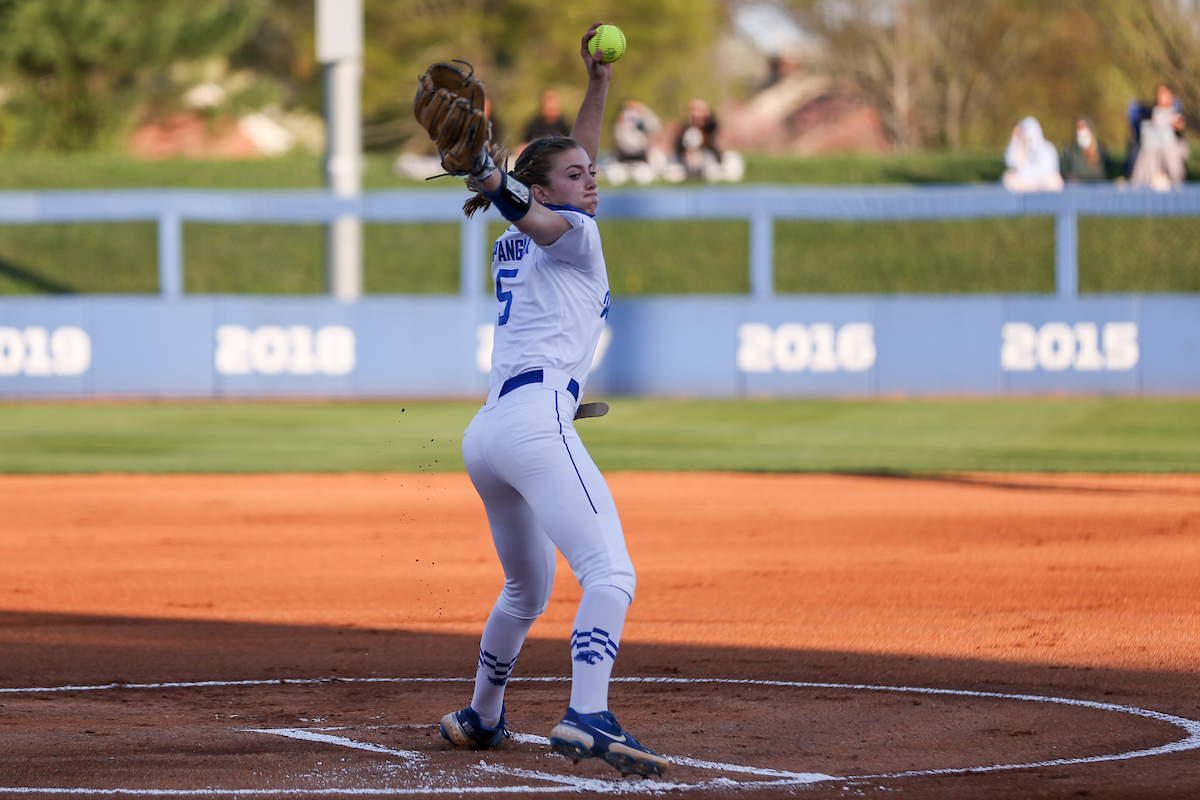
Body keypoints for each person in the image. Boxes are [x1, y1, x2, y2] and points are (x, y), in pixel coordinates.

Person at [437, 22, 670, 779]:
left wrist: (597, 86)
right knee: (610, 574)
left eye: (590, 171)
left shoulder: (528, 234)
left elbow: (543, 189)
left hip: (490, 432)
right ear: (546, 190)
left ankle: (483, 715)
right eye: (577, 175)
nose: (591, 179)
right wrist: (487, 177)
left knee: (525, 587)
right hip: (535, 424)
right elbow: (530, 206)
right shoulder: (568, 232)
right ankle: (588, 714)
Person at [1129, 83, 1189, 191]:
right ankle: (1138, 186)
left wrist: (1171, 122)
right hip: (1150, 150)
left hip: (1169, 150)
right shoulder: (1150, 112)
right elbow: (1144, 123)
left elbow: (1181, 126)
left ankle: (1177, 185)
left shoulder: (1176, 113)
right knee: (1148, 148)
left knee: (1170, 150)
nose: (1161, 97)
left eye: (1164, 94)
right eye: (1159, 94)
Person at [1001, 117, 1064, 193]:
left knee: (1055, 181)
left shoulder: (1048, 148)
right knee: (1008, 177)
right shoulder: (1019, 148)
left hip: (1043, 184)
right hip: (1024, 183)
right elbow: (1010, 163)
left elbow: (1052, 172)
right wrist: (1014, 138)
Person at [675, 98, 722, 180]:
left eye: (699, 111)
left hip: (706, 159)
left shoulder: (709, 128)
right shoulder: (685, 129)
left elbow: (714, 124)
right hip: (687, 161)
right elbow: (679, 146)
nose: (697, 115)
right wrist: (686, 153)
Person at [1060, 116, 1110, 183]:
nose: (1081, 130)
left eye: (1084, 126)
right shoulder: (1069, 153)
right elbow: (1063, 171)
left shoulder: (1101, 152)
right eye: (1078, 127)